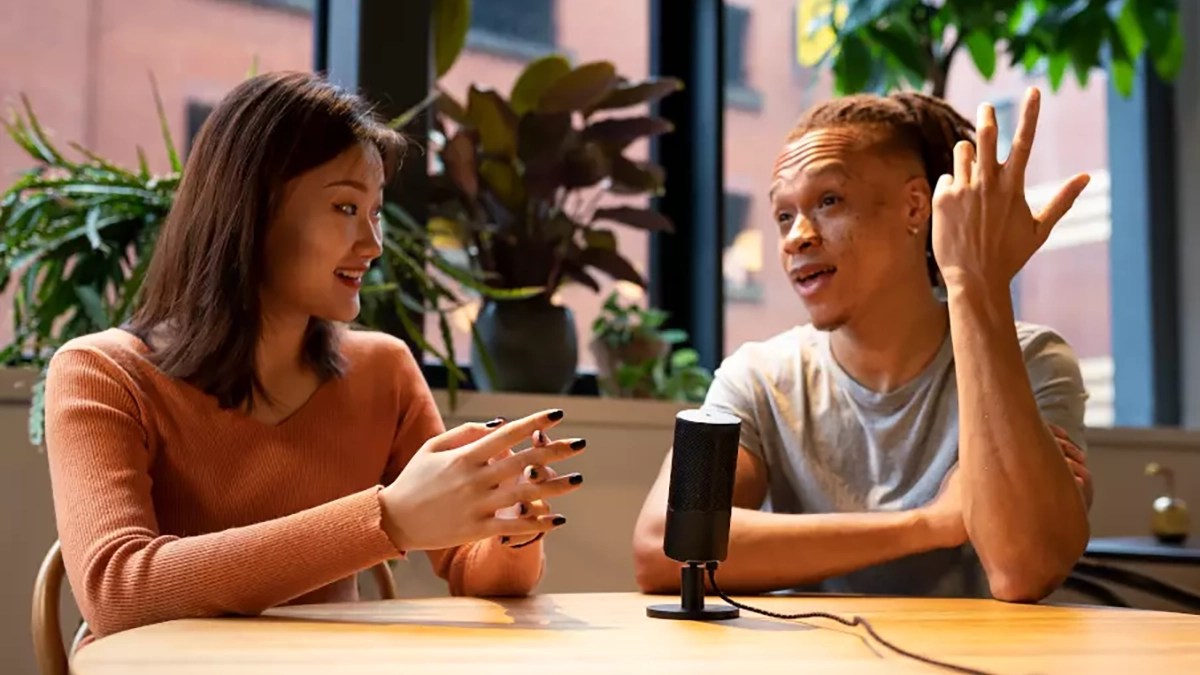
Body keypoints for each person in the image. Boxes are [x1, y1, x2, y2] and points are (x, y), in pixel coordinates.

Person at [44, 71, 585, 641]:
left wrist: (511, 530)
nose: (373, 244)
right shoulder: (102, 373)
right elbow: (117, 592)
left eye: (375, 212)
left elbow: (474, 572)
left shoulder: (385, 372)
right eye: (347, 208)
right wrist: (388, 520)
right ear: (250, 209)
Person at [633, 87, 1094, 602]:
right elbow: (663, 548)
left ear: (915, 207)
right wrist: (928, 524)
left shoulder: (1034, 360)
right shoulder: (760, 377)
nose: (795, 238)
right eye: (784, 215)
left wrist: (972, 279)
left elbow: (1023, 569)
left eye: (829, 201)